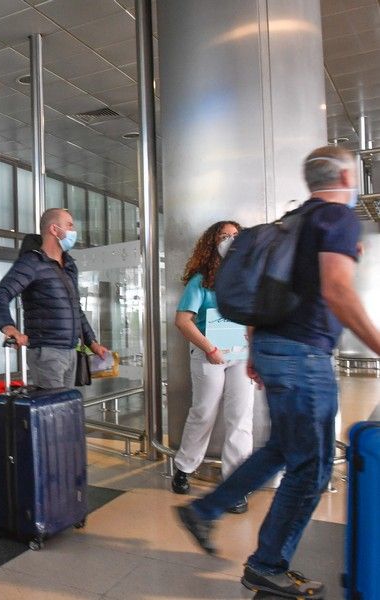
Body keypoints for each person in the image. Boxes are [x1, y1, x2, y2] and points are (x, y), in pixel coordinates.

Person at [175, 146, 380, 599]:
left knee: (284, 449)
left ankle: (205, 510)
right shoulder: (336, 220)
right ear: (345, 175)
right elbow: (338, 291)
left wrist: (257, 351)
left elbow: (276, 290)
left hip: (274, 347)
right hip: (304, 356)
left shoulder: (294, 221)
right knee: (312, 467)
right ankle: (267, 565)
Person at [171, 221, 254, 514]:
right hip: (210, 354)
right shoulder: (201, 280)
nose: (230, 240)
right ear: (213, 242)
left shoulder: (247, 277)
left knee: (240, 418)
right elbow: (183, 321)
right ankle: (183, 467)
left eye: (235, 236)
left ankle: (236, 485)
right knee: (203, 412)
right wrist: (210, 348)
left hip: (242, 355)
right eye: (224, 236)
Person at [0, 208, 109, 389]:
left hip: (70, 351)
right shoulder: (32, 263)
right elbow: (0, 295)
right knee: (54, 414)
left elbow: (75, 309)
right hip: (47, 352)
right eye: (69, 225)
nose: (73, 230)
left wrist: (92, 343)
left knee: (66, 411)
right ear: (54, 229)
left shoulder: (68, 266)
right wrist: (9, 327)